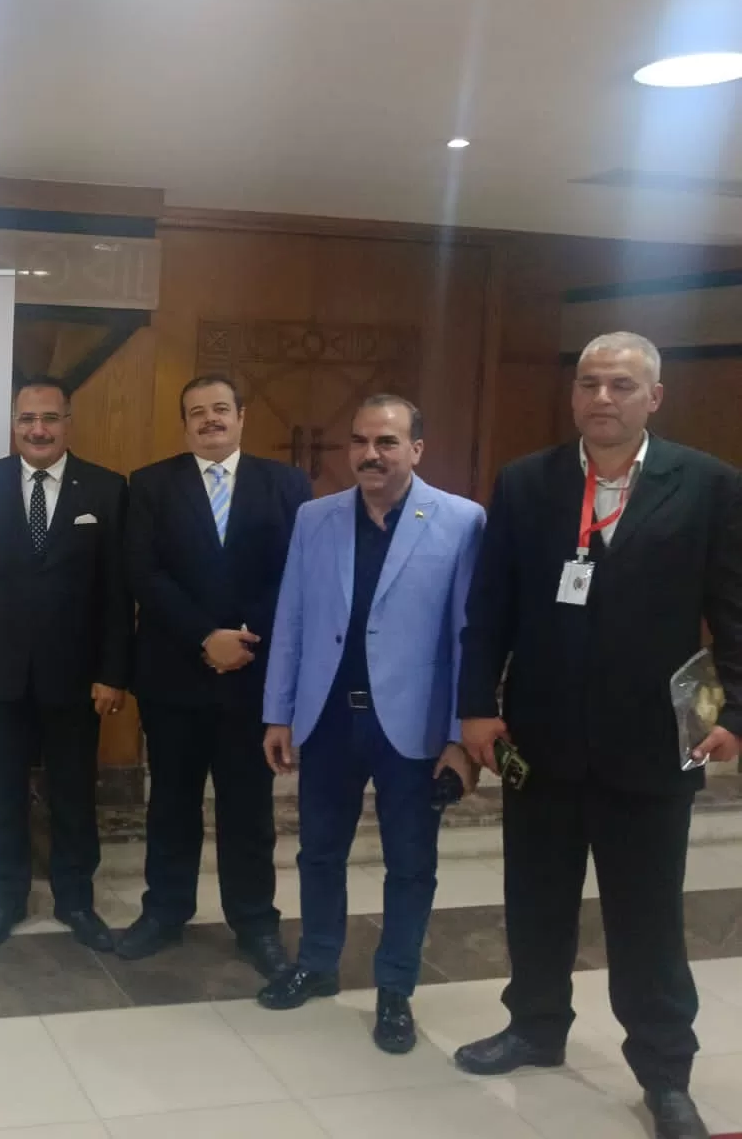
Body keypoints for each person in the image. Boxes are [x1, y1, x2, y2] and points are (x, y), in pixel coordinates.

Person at [454, 332, 742, 1139]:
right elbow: (490, 607)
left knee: (646, 917)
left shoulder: (708, 484)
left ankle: (664, 1072)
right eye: (588, 383)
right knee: (534, 898)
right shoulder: (526, 482)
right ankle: (534, 1026)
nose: (602, 398)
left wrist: (733, 715)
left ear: (654, 397)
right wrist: (474, 706)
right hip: (539, 737)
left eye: (620, 384)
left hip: (651, 743)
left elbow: (734, 613)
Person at [258, 396, 482, 1053]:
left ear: (416, 449)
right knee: (318, 851)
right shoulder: (315, 517)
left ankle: (394, 988)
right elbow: (292, 618)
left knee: (409, 864)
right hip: (327, 715)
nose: (369, 454)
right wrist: (278, 712)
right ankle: (317, 962)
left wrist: (458, 737)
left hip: (412, 725)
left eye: (386, 441)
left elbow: (469, 637)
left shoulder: (461, 520)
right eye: (359, 441)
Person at [115, 374, 308, 974]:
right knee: (171, 804)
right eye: (197, 412)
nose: (210, 420)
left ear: (242, 416)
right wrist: (205, 636)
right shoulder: (151, 484)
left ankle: (255, 922)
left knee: (248, 809)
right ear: (185, 424)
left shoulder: (286, 484)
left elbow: (298, 572)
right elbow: (143, 573)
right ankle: (164, 912)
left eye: (221, 408)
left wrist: (242, 636)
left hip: (253, 675)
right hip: (175, 673)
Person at [0, 376, 130, 950]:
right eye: (27, 419)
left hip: (77, 676)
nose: (38, 429)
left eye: (49, 418)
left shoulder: (106, 488)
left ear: (68, 422)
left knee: (74, 792)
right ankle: (7, 900)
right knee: (2, 792)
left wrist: (113, 672)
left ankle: (76, 901)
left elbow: (118, 592)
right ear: (14, 424)